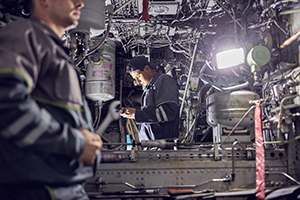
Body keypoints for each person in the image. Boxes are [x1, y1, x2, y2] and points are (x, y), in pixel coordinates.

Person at [0, 0, 103, 199]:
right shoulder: (25, 34)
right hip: (37, 190)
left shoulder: (51, 47)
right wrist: (75, 143)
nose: (80, 3)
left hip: (61, 187)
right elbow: (6, 103)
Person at [121, 55, 180, 142]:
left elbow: (168, 113)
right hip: (151, 148)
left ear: (147, 69)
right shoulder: (150, 89)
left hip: (163, 147)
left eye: (138, 76)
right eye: (135, 79)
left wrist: (137, 114)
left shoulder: (163, 81)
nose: (138, 82)